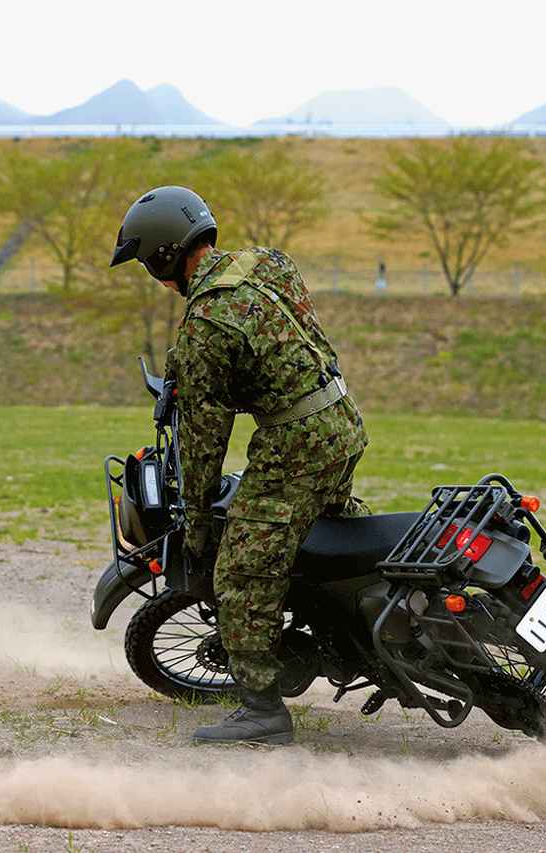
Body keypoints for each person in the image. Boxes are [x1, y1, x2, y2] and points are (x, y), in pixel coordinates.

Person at [110, 185, 369, 745]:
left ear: (164, 255)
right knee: (324, 535)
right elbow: (274, 335)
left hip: (296, 443)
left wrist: (199, 522)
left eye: (149, 265)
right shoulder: (268, 264)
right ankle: (357, 629)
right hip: (342, 422)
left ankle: (262, 710)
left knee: (241, 571)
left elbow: (205, 441)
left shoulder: (206, 323)